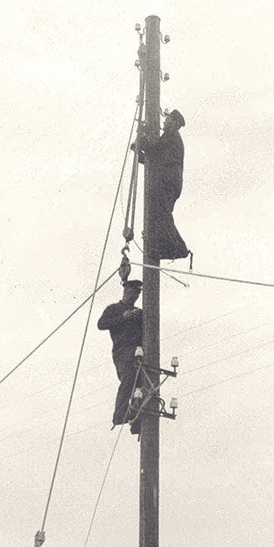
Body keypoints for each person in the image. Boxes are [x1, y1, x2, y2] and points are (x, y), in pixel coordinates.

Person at [140, 109, 189, 261]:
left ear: (174, 123)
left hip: (168, 182)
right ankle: (164, 247)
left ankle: (178, 248)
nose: (163, 122)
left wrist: (141, 138)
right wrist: (140, 152)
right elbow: (153, 160)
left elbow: (153, 150)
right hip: (168, 182)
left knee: (161, 214)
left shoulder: (171, 137)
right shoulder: (171, 138)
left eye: (166, 120)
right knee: (159, 214)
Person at [97, 279, 144, 434]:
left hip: (140, 351)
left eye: (137, 294)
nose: (135, 296)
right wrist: (124, 317)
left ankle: (136, 416)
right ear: (125, 291)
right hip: (123, 350)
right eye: (133, 292)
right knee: (128, 379)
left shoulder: (139, 312)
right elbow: (101, 324)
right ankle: (120, 414)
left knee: (141, 384)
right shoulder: (114, 309)